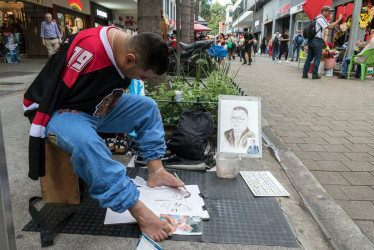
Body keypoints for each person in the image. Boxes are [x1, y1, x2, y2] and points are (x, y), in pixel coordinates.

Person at [23, 26, 184, 242]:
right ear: (129, 59)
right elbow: (51, 91)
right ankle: (137, 208)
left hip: (94, 104)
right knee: (88, 144)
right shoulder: (88, 53)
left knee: (147, 107)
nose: (142, 82)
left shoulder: (121, 43)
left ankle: (156, 172)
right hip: (56, 109)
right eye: (143, 76)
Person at [302, 6, 343, 79]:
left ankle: (305, 74)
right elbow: (330, 27)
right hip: (317, 40)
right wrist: (339, 20)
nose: (328, 13)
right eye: (327, 11)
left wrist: (329, 21)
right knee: (317, 58)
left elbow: (324, 26)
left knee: (309, 58)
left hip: (311, 40)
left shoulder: (317, 19)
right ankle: (315, 75)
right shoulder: (320, 19)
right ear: (323, 11)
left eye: (329, 12)